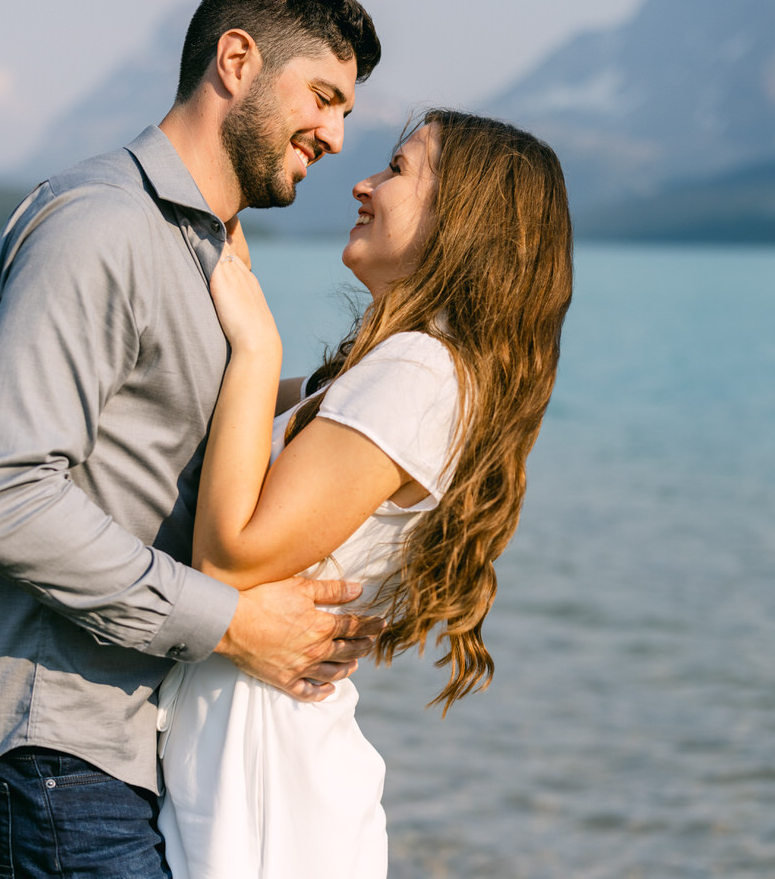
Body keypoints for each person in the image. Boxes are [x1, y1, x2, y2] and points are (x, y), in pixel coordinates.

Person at [0, 0, 384, 879]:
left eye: (347, 112)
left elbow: (173, 435)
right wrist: (233, 621)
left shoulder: (197, 242)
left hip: (110, 749)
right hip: (44, 747)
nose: (333, 135)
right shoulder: (104, 225)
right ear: (236, 61)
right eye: (322, 97)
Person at [155, 109, 575, 878]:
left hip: (263, 781)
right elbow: (219, 422)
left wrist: (257, 344)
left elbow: (230, 557)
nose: (364, 182)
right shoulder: (394, 370)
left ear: (463, 221)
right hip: (251, 751)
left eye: (398, 169)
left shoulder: (418, 371)